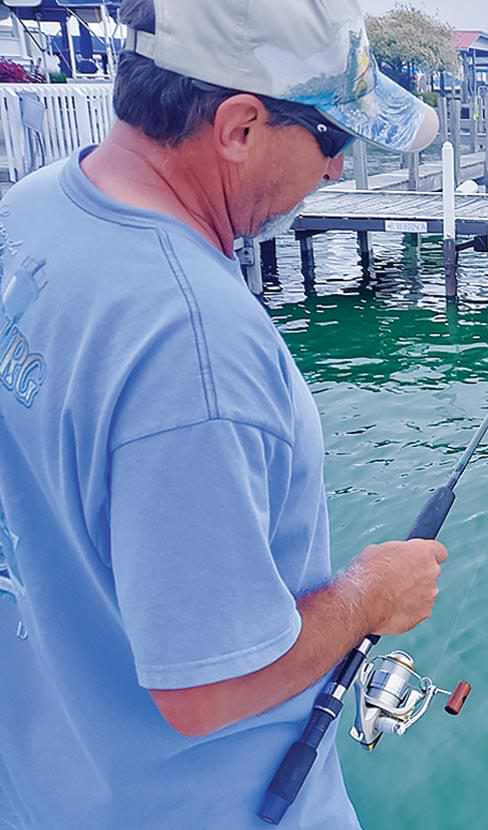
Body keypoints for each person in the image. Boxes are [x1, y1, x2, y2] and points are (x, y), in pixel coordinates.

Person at [0, 1, 447, 827]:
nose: (337, 174)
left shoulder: (30, 213)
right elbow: (204, 688)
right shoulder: (193, 345)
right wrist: (368, 596)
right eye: (332, 139)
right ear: (240, 126)